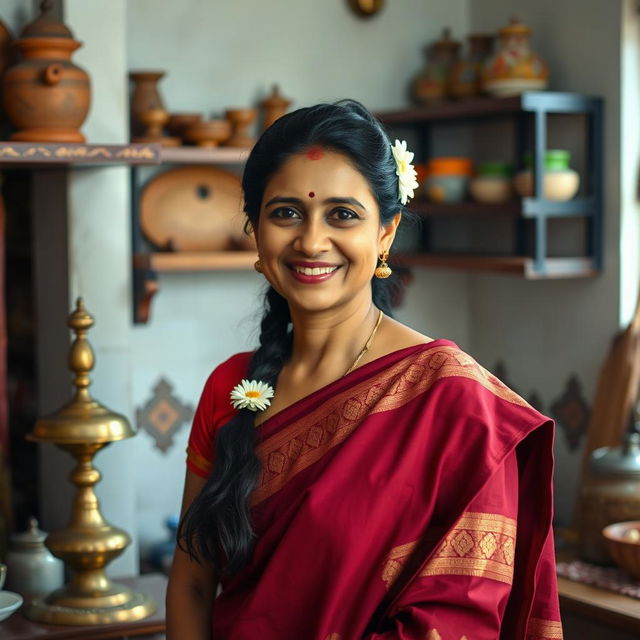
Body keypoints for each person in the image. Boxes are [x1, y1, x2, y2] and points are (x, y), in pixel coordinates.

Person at [166, 100, 563, 640]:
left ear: (386, 233)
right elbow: (191, 582)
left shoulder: (454, 402)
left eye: (343, 215)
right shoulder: (230, 387)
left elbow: (459, 617)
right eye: (285, 212)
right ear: (254, 233)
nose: (310, 241)